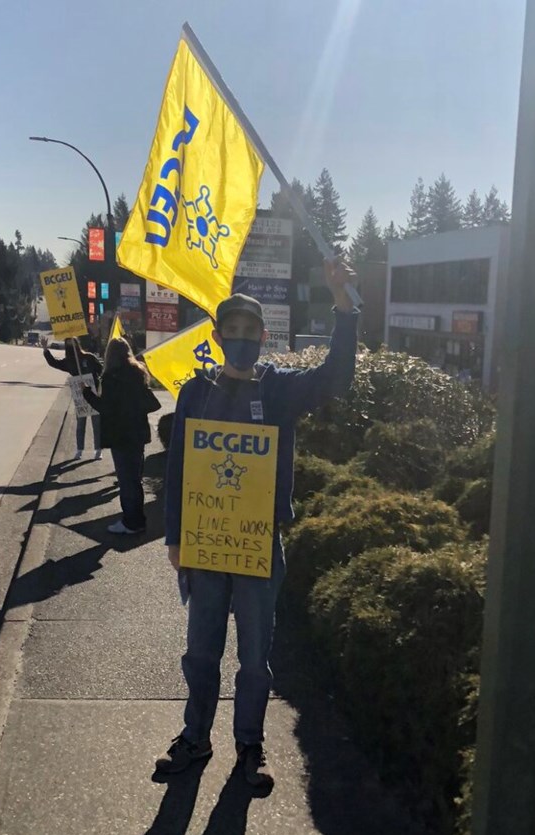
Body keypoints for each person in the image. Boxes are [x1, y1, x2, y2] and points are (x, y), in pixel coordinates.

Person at [157, 260, 360, 788]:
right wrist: (175, 538)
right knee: (200, 653)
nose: (243, 338)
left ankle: (249, 746)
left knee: (254, 660)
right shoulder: (195, 394)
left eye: (252, 330)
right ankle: (195, 739)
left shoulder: (280, 391)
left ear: (264, 336)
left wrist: (343, 305)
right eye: (234, 330)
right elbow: (177, 468)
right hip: (204, 549)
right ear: (219, 335)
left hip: (257, 548)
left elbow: (337, 377)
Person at [82, 337, 161, 535]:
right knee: (135, 480)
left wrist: (88, 395)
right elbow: (152, 403)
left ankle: (130, 522)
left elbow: (105, 407)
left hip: (120, 435)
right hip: (137, 434)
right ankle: (137, 519)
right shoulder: (138, 373)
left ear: (110, 355)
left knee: (126, 481)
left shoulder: (112, 378)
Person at [42, 336, 102, 460]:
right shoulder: (68, 362)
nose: (71, 346)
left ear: (77, 343)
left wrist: (98, 384)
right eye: (68, 343)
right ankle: (80, 449)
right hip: (79, 394)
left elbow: (101, 370)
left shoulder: (89, 357)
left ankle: (98, 449)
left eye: (72, 342)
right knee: (81, 423)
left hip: (94, 393)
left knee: (96, 423)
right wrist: (45, 350)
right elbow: (54, 363)